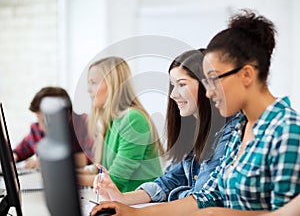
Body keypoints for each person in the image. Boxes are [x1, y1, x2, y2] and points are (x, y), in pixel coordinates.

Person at [90, 9, 300, 216]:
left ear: (246, 74)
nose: (208, 92)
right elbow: (208, 196)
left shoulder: (286, 130)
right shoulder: (241, 128)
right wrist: (132, 211)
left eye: (214, 79)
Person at [91, 50, 240, 204]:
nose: (173, 94)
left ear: (206, 86)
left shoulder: (227, 132)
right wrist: (121, 199)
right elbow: (171, 179)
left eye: (181, 84)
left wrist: (169, 198)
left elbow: (200, 198)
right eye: (172, 85)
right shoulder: (192, 131)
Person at [77, 56, 163, 192]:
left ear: (113, 85)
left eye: (94, 82)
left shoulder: (134, 120)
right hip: (123, 202)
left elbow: (114, 181)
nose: (88, 89)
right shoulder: (112, 121)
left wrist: (70, 178)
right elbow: (99, 168)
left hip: (142, 205)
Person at [13, 86, 91, 169]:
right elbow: (18, 152)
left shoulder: (85, 124)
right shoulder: (37, 131)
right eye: (38, 120)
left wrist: (46, 163)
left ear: (66, 114)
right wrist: (13, 158)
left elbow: (94, 157)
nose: (41, 128)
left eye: (45, 121)